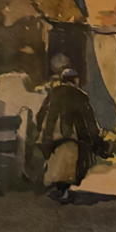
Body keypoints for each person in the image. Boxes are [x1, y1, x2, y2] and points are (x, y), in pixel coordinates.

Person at [35, 68, 106, 203]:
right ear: (75, 80)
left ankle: (60, 189)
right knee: (70, 164)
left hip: (53, 135)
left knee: (56, 160)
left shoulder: (53, 93)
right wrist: (95, 136)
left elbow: (42, 112)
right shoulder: (80, 95)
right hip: (74, 135)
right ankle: (64, 190)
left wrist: (40, 129)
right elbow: (89, 118)